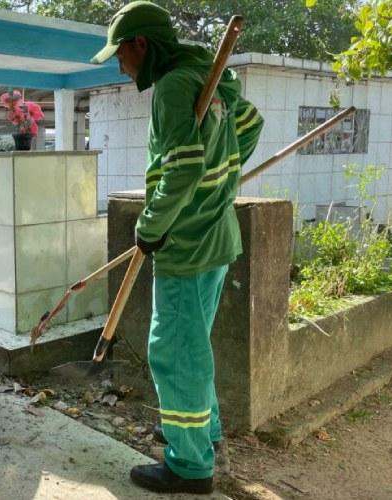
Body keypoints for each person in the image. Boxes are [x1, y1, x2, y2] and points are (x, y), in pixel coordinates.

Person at [91, 2, 264, 494]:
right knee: (192, 346)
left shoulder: (171, 87)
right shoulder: (206, 77)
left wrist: (150, 225)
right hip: (217, 235)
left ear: (141, 45)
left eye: (120, 55)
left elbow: (183, 169)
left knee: (172, 352)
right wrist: (222, 179)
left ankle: (189, 466)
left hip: (186, 246)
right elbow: (250, 127)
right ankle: (203, 436)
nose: (120, 67)